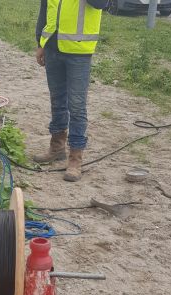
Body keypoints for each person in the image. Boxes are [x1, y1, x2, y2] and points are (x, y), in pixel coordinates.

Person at [34, 0, 108, 181]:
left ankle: (75, 158)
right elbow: (45, 10)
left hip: (79, 50)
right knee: (57, 100)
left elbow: (101, 4)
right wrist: (40, 42)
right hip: (52, 48)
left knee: (76, 106)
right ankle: (57, 147)